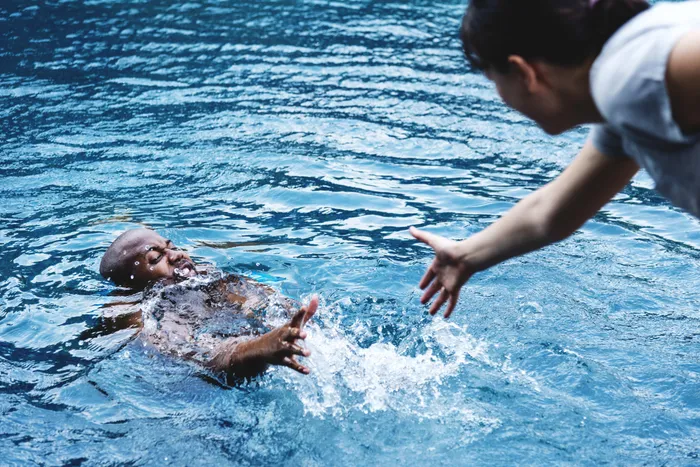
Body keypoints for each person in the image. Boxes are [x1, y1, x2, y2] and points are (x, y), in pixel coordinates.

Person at [411, 0, 700, 317]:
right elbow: (550, 213)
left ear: (523, 72)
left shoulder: (629, 78)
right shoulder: (624, 105)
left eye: (494, 81)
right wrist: (465, 256)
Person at [97, 228, 318, 381]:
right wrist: (260, 348)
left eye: (172, 246)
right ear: (129, 285)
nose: (176, 255)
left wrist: (289, 319)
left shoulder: (206, 277)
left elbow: (263, 302)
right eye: (156, 258)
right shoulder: (135, 312)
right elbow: (200, 357)